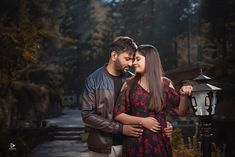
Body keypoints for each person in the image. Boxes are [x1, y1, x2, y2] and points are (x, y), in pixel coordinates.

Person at [79, 37, 174, 157]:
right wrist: (121, 128)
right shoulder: (93, 80)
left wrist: (166, 124)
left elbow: (149, 108)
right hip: (101, 147)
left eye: (133, 59)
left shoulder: (134, 81)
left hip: (131, 144)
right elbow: (87, 116)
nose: (131, 63)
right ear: (114, 55)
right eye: (127, 59)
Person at [114, 44, 192, 157]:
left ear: (150, 60)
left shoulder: (165, 84)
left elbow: (181, 112)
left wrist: (184, 95)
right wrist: (143, 121)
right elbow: (118, 114)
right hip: (135, 142)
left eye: (138, 59)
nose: (134, 63)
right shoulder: (129, 84)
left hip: (159, 142)